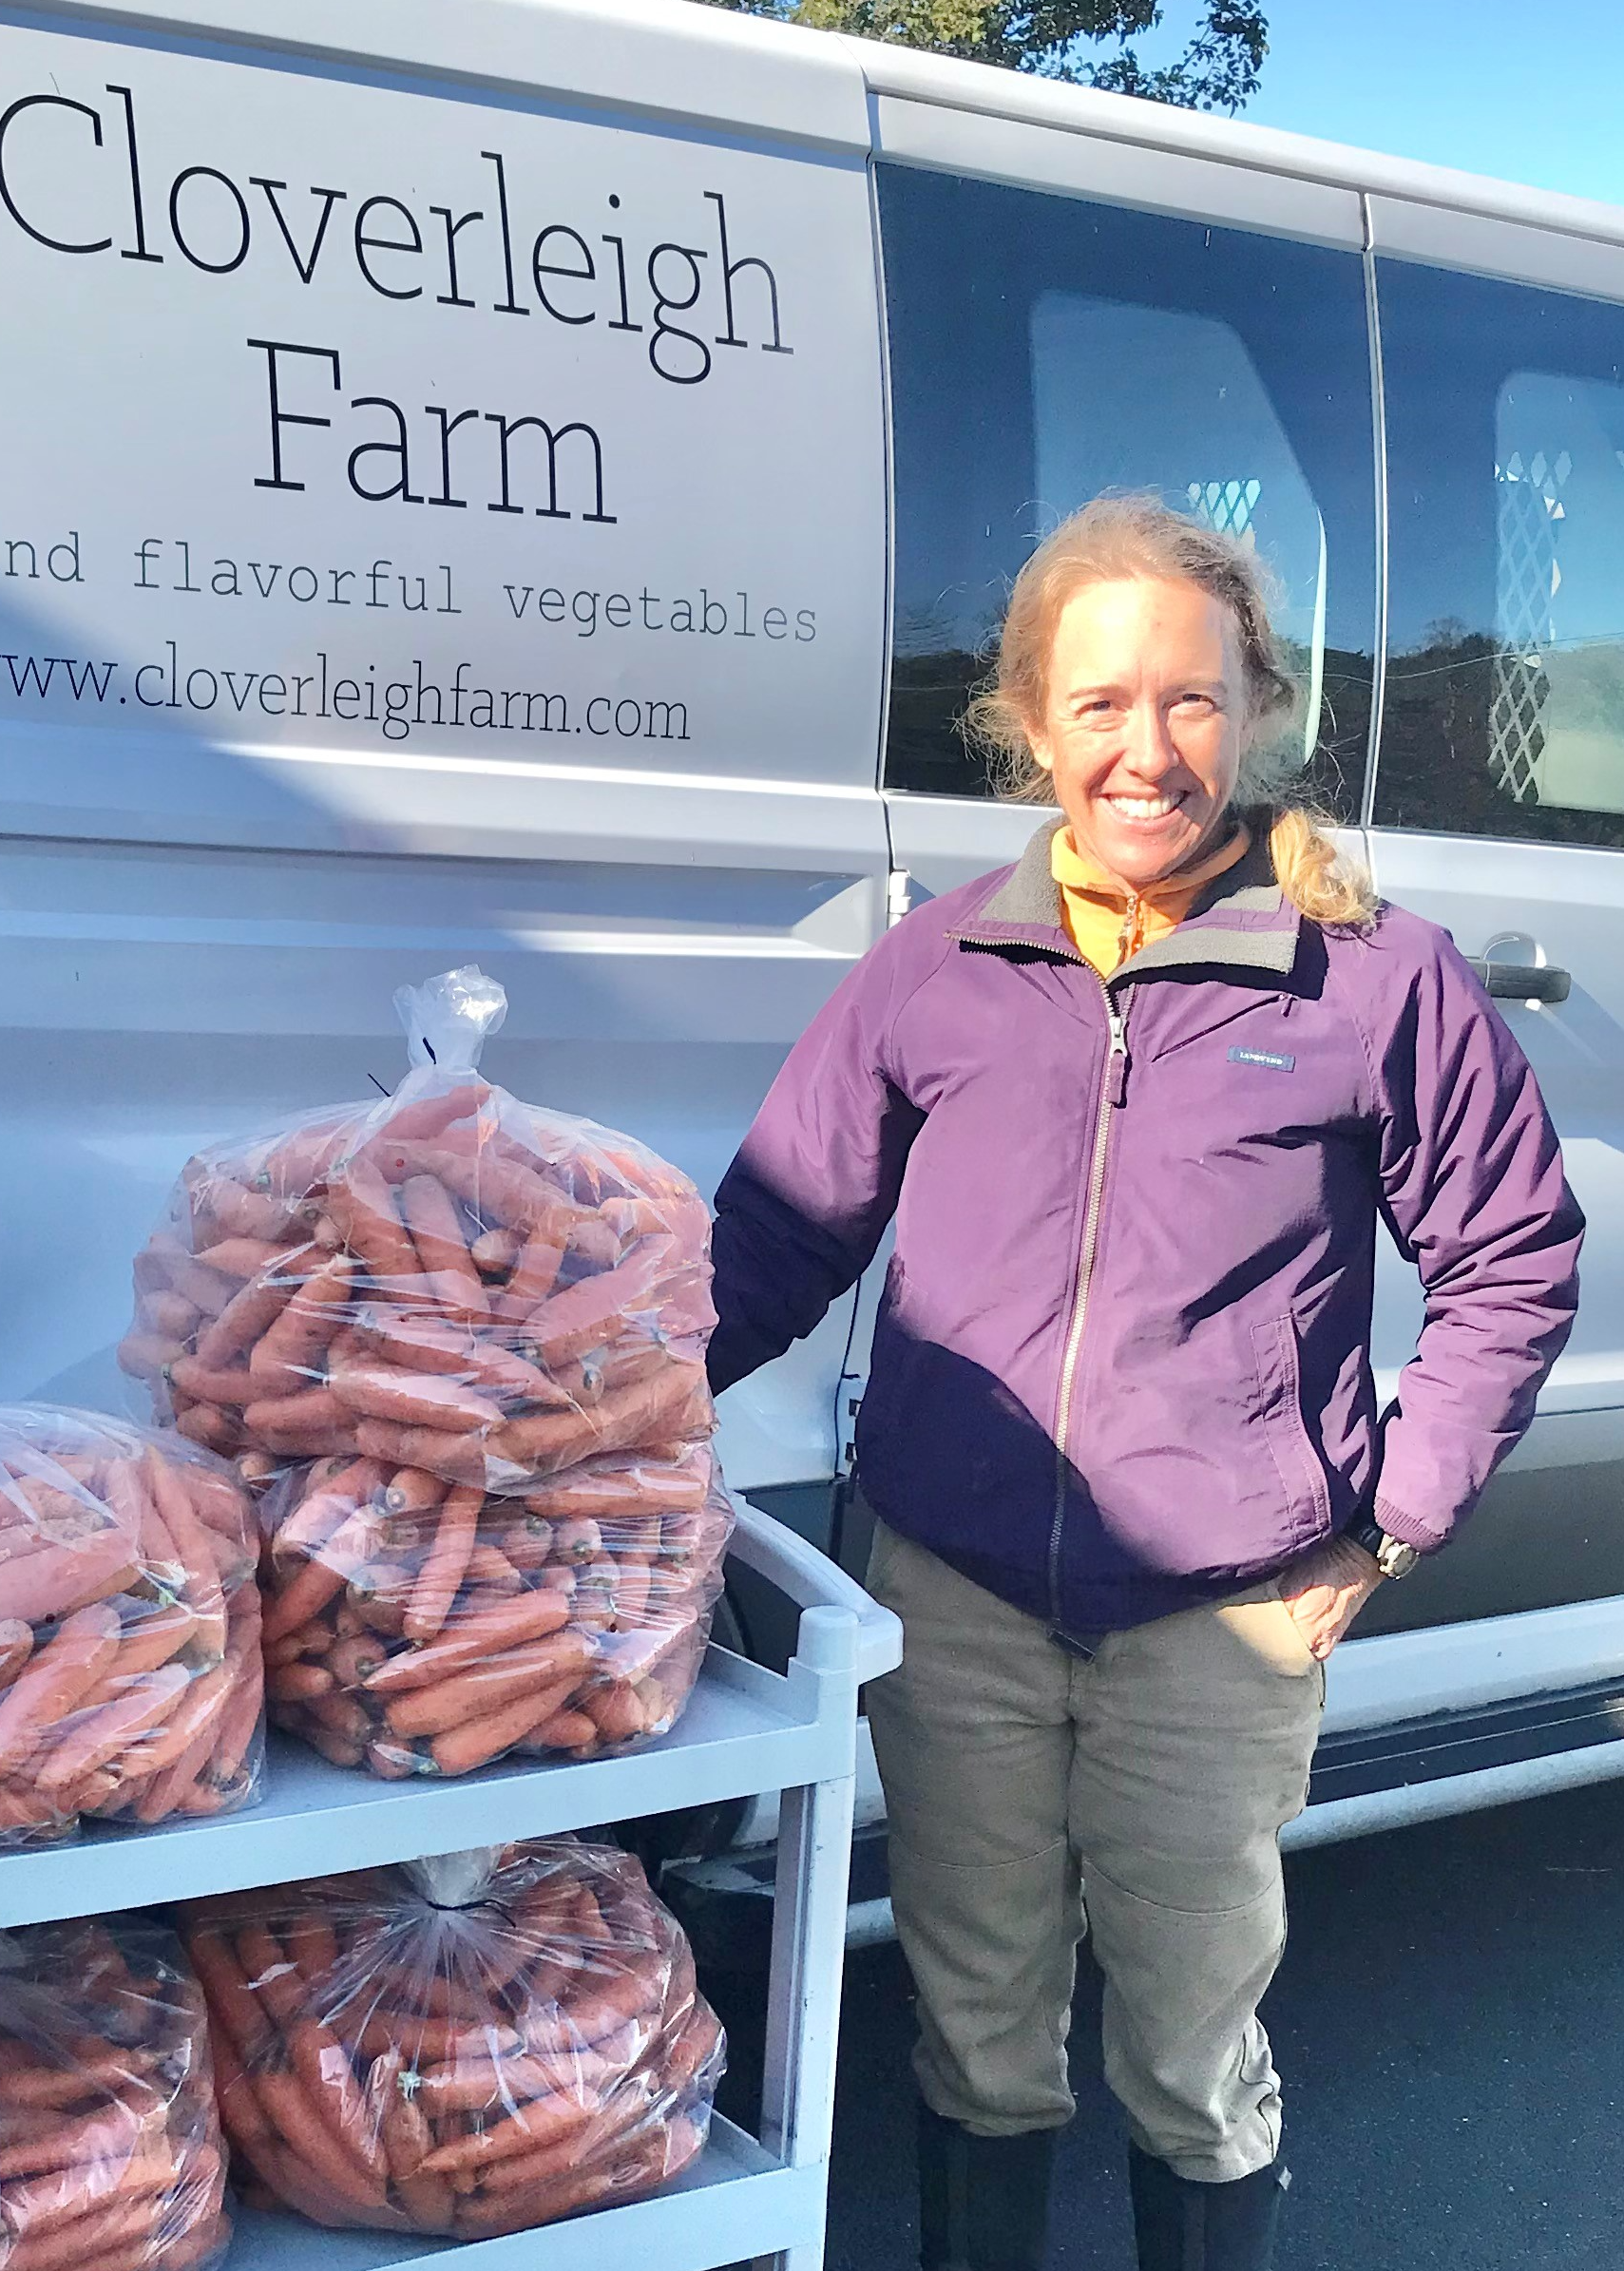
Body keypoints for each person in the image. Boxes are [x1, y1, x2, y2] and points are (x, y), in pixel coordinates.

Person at [706, 496, 1583, 2271]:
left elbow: (1511, 1253)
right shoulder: (933, 968)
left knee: (1186, 2056)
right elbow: (769, 1242)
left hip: (1226, 1615)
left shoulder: (1370, 978)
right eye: (1098, 703)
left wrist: (1392, 1521)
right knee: (973, 2036)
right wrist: (564, 1400)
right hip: (954, 1601)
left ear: (1250, 708)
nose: (1144, 748)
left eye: (1187, 701)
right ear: (1032, 722)